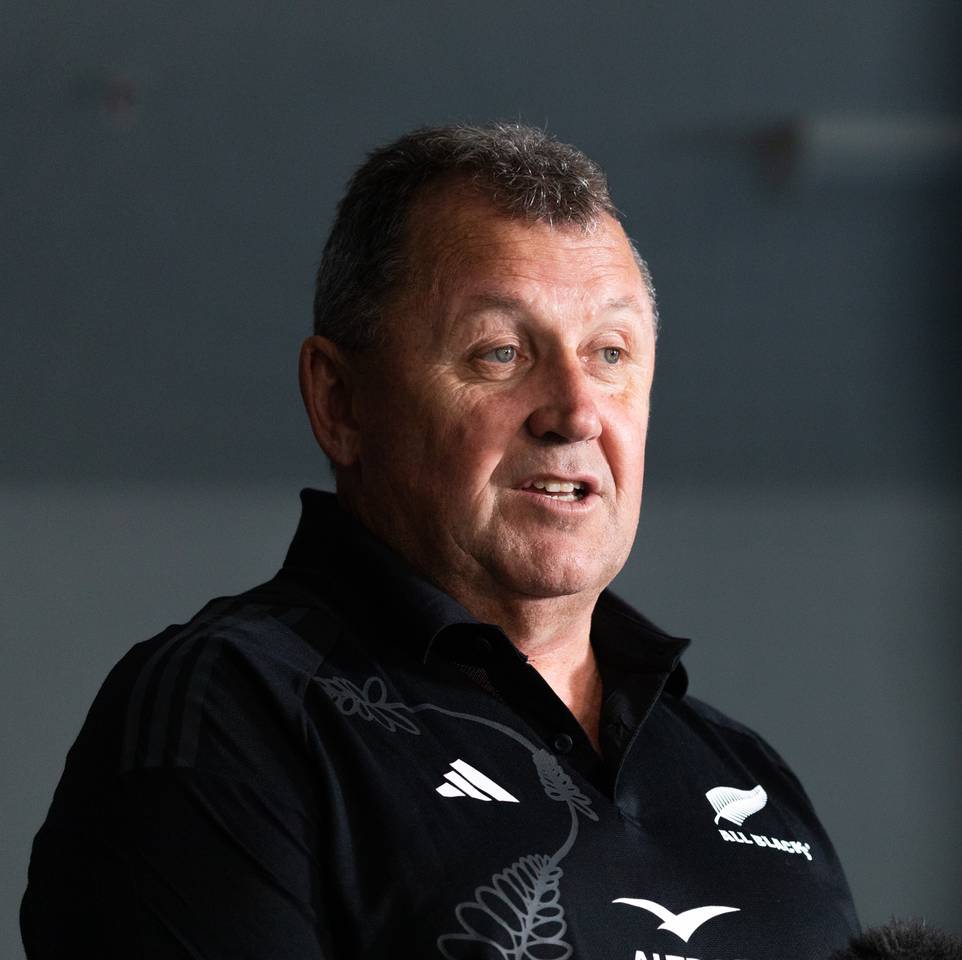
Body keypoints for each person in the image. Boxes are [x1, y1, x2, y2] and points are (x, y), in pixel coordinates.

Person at [21, 123, 859, 959]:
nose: (574, 411)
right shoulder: (232, 707)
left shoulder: (746, 770)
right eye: (500, 353)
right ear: (341, 402)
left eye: (610, 352)